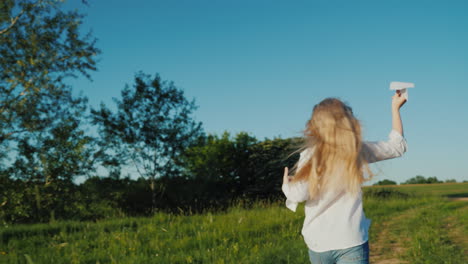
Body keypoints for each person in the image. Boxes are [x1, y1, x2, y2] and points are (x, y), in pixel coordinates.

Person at [281, 91, 407, 264]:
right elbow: (397, 147)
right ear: (348, 122)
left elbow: (298, 195)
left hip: (318, 243)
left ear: (315, 126)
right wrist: (395, 108)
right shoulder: (356, 150)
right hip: (351, 239)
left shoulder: (309, 155)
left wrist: (287, 185)